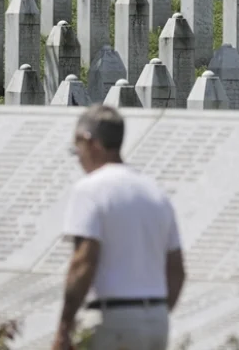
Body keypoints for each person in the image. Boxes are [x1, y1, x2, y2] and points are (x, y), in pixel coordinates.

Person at [54, 104, 185, 350]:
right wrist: (155, 313)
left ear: (89, 141)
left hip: (113, 319)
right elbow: (176, 269)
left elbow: (83, 262)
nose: (78, 157)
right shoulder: (155, 192)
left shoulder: (90, 189)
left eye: (77, 149)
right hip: (156, 320)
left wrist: (64, 327)